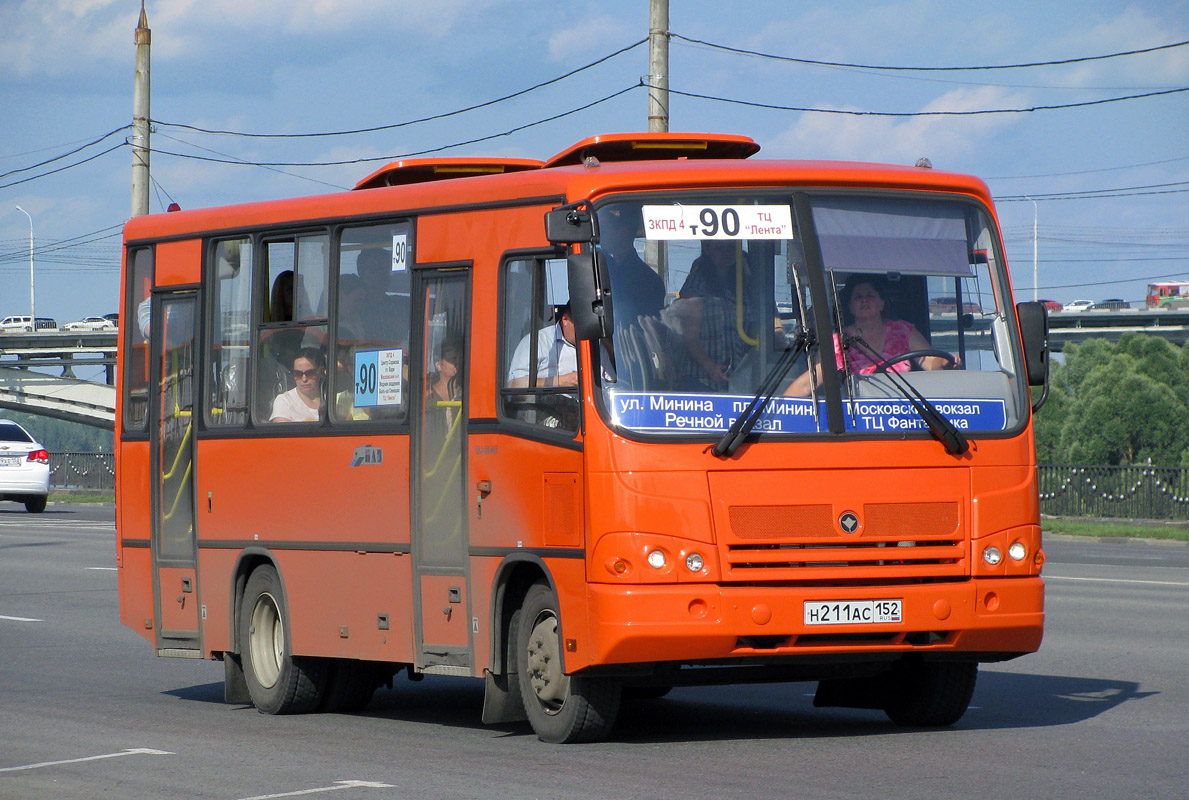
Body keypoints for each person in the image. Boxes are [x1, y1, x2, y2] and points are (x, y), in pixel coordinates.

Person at [785, 274, 954, 396]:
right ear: (850, 306)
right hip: (861, 421)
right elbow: (808, 383)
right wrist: (774, 415)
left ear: (882, 303)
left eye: (870, 296)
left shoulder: (903, 331)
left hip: (906, 413)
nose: (864, 300)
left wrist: (946, 361)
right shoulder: (837, 341)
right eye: (858, 297)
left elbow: (932, 363)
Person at [671, 240, 763, 391]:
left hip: (738, 379)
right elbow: (690, 338)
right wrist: (711, 367)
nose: (726, 252)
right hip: (701, 382)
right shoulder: (697, 286)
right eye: (720, 248)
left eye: (731, 248)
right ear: (707, 249)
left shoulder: (744, 287)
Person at [598, 204, 665, 327]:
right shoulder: (602, 265)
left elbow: (641, 329)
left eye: (605, 229)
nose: (600, 236)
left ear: (623, 232)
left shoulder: (647, 281)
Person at [506, 304, 577, 388]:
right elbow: (514, 384)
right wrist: (563, 381)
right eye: (579, 326)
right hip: (547, 400)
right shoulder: (538, 341)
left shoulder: (593, 345)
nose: (583, 332)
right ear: (565, 320)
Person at [270, 347, 325, 422]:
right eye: (298, 374)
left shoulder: (332, 398)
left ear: (321, 371)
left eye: (310, 373)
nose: (304, 379)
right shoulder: (284, 401)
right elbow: (282, 432)